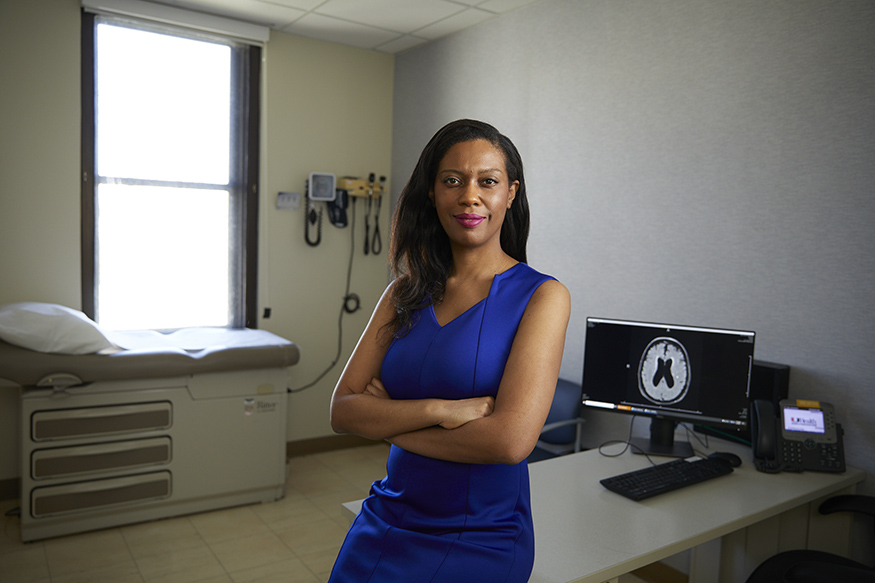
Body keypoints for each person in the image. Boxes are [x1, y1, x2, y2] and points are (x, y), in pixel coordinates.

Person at [328, 119, 571, 583]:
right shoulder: (403, 293)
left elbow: (509, 442)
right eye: (453, 181)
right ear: (433, 192)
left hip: (481, 534)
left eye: (488, 181)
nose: (469, 196)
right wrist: (443, 409)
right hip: (386, 516)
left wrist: (387, 422)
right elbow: (342, 410)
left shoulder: (542, 296)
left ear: (511, 193)